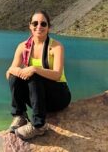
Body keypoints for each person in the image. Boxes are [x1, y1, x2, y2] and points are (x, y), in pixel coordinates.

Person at [5, 10, 71, 140]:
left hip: (59, 96)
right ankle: (20, 117)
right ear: (30, 26)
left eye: (43, 24)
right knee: (15, 76)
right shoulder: (23, 47)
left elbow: (57, 75)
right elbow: (9, 73)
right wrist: (17, 71)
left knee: (34, 75)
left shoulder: (56, 47)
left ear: (48, 27)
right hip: (38, 99)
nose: (39, 26)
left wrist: (34, 69)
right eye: (35, 23)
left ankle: (38, 125)